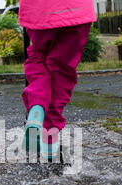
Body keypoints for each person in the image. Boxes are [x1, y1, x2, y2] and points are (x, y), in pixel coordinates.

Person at [19, 0, 96, 160]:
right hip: (77, 9)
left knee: (37, 58)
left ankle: (36, 111)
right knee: (62, 72)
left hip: (40, 10)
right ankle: (49, 140)